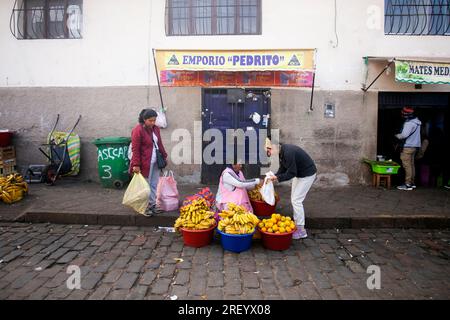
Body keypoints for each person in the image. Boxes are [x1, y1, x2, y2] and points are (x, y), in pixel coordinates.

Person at [265, 138, 317, 239]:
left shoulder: (288, 152)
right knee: (294, 199)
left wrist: (277, 178)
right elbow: (284, 168)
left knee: (296, 200)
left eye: (269, 150)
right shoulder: (282, 152)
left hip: (307, 175)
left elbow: (292, 172)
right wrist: (275, 176)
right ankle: (297, 224)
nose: (269, 153)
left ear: (275, 147)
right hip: (300, 174)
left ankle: (301, 230)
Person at [130, 109, 168, 216]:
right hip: (144, 163)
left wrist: (164, 156)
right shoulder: (137, 130)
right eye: (150, 121)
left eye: (154, 120)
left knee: (153, 184)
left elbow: (159, 143)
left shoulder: (155, 129)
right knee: (144, 187)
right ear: (144, 119)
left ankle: (152, 205)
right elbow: (135, 149)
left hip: (155, 161)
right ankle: (144, 207)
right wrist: (136, 164)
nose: (152, 123)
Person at [395, 107, 421, 191]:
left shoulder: (409, 123)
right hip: (414, 146)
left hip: (407, 146)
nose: (402, 115)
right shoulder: (417, 122)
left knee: (407, 165)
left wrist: (397, 135)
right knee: (412, 165)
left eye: (403, 114)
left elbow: (404, 135)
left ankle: (408, 184)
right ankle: (412, 183)